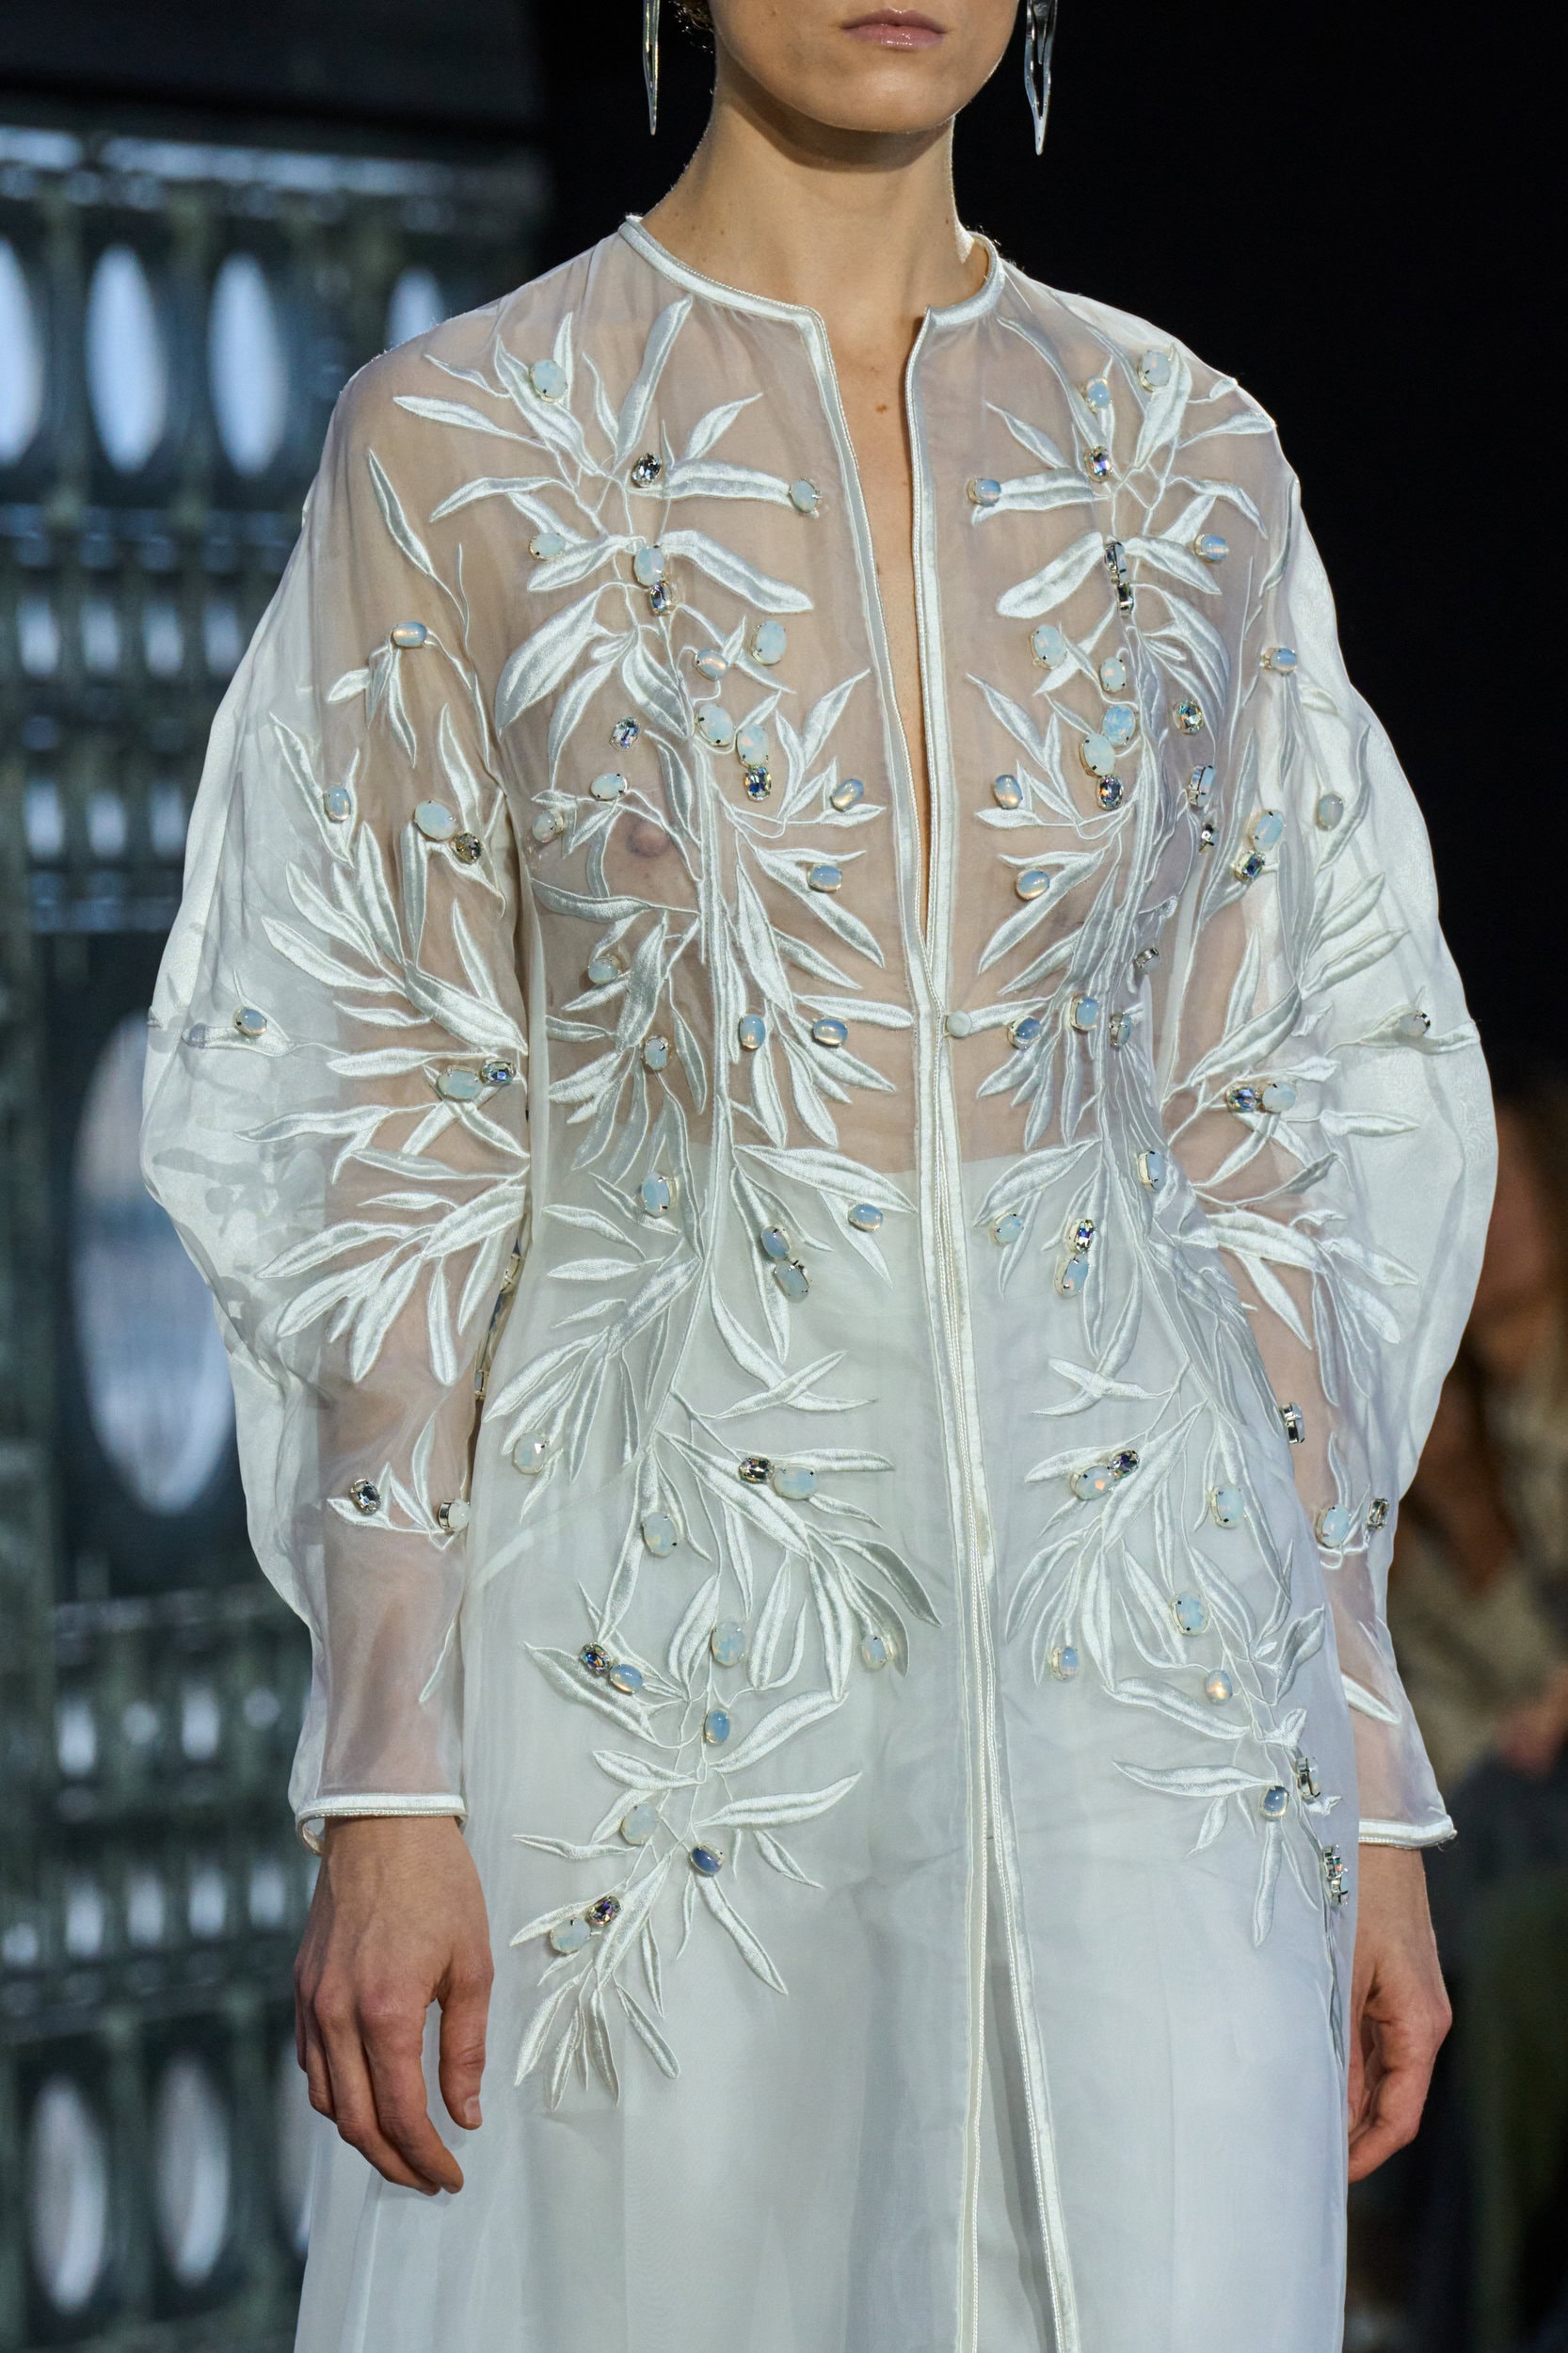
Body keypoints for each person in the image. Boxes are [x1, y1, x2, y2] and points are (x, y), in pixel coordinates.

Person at [140, 5, 1494, 2346]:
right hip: (654, 1672)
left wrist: (1364, 1775)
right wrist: (379, 1763)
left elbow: (1264, 1108)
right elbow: (383, 1122)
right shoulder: (457, 440)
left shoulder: (1187, 452)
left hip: (1154, 1684)